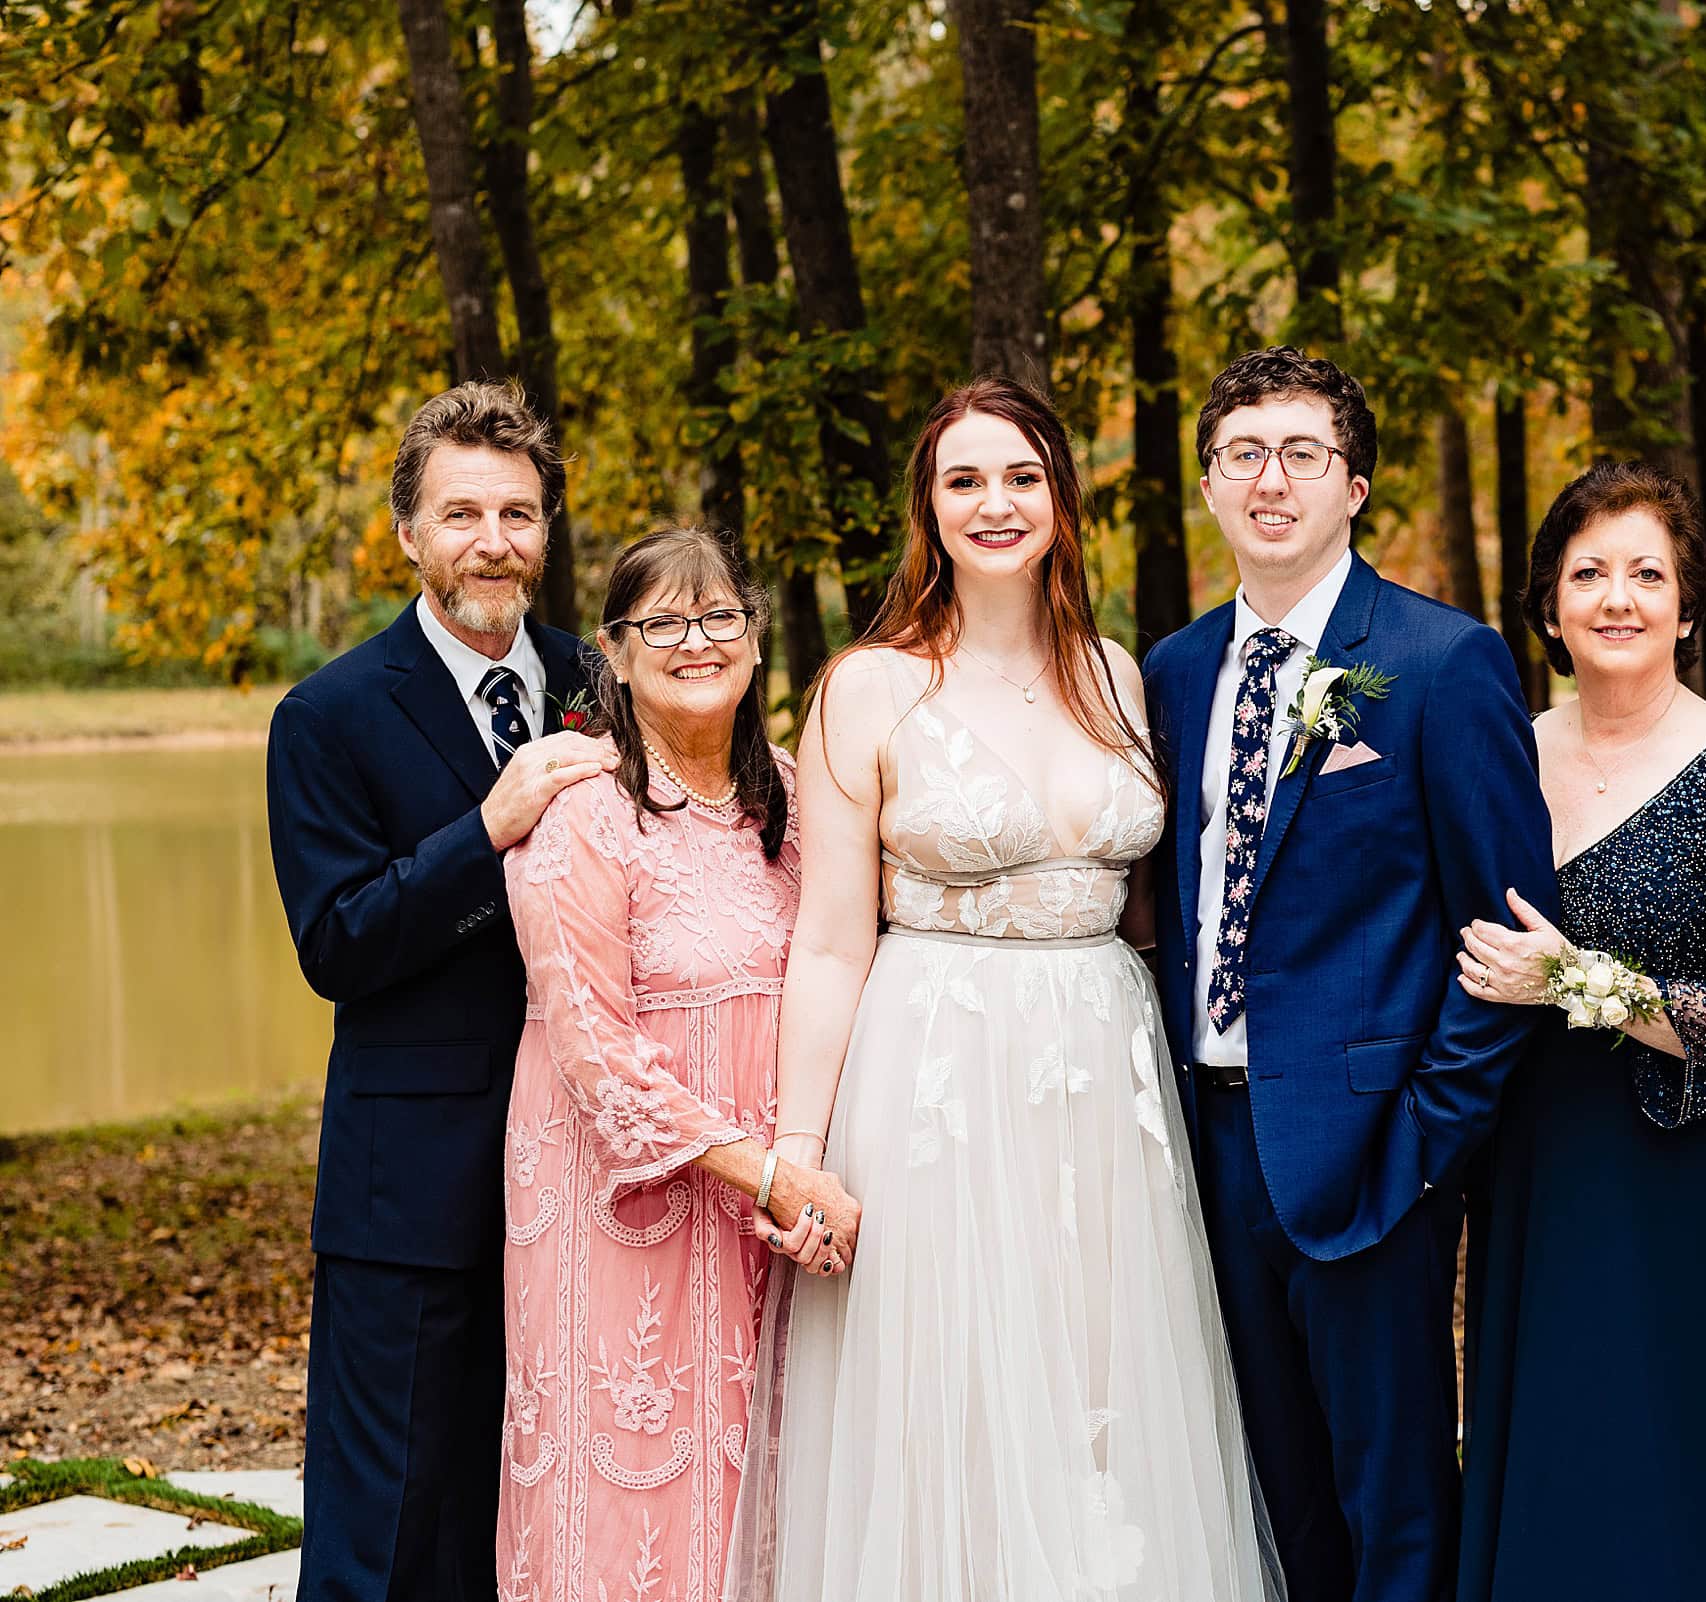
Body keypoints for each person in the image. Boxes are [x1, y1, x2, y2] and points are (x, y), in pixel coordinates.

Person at [728, 377, 1275, 1601]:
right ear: (928, 505)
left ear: (1060, 500)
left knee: (1104, 1381)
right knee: (953, 1385)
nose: (996, 503)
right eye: (965, 479)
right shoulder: (867, 687)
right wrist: (797, 1154)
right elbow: (826, 943)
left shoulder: (1118, 676)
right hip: (939, 1071)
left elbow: (1151, 913)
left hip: (1104, 1077)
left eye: (1023, 476)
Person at [1142, 348, 1553, 1602]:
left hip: (1376, 1152)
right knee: (1276, 1499)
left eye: (1302, 454)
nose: (1272, 481)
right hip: (1203, 1149)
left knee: (1398, 1508)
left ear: (1356, 482)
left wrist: (1427, 1144)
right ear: (1209, 486)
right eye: (1243, 456)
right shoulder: (1169, 674)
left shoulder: (1441, 661)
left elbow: (1510, 931)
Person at [1448, 463, 1706, 1601]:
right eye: (1589, 573)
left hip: (1690, 1177)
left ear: (1688, 603)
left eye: (1647, 574)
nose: (1618, 598)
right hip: (1533, 1163)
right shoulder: (1502, 754)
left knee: (1681, 1463)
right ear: (1550, 605)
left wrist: (1583, 985)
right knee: (1560, 1448)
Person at [266, 382, 610, 1602]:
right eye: (461, 512)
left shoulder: (596, 682)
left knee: (540, 1507)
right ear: (407, 531)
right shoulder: (328, 716)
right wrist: (487, 829)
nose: (494, 541)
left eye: (519, 513)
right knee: (392, 1528)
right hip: (412, 1187)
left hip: (586, 1178)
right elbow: (339, 943)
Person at [496, 526, 850, 1601]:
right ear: (614, 650)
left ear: (753, 637)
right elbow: (595, 1060)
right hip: (623, 1211)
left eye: (719, 617)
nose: (697, 641)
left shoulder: (799, 802)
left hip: (777, 1213)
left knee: (775, 1469)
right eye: (665, 622)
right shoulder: (582, 817)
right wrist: (766, 1172)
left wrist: (806, 1171)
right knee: (636, 1495)